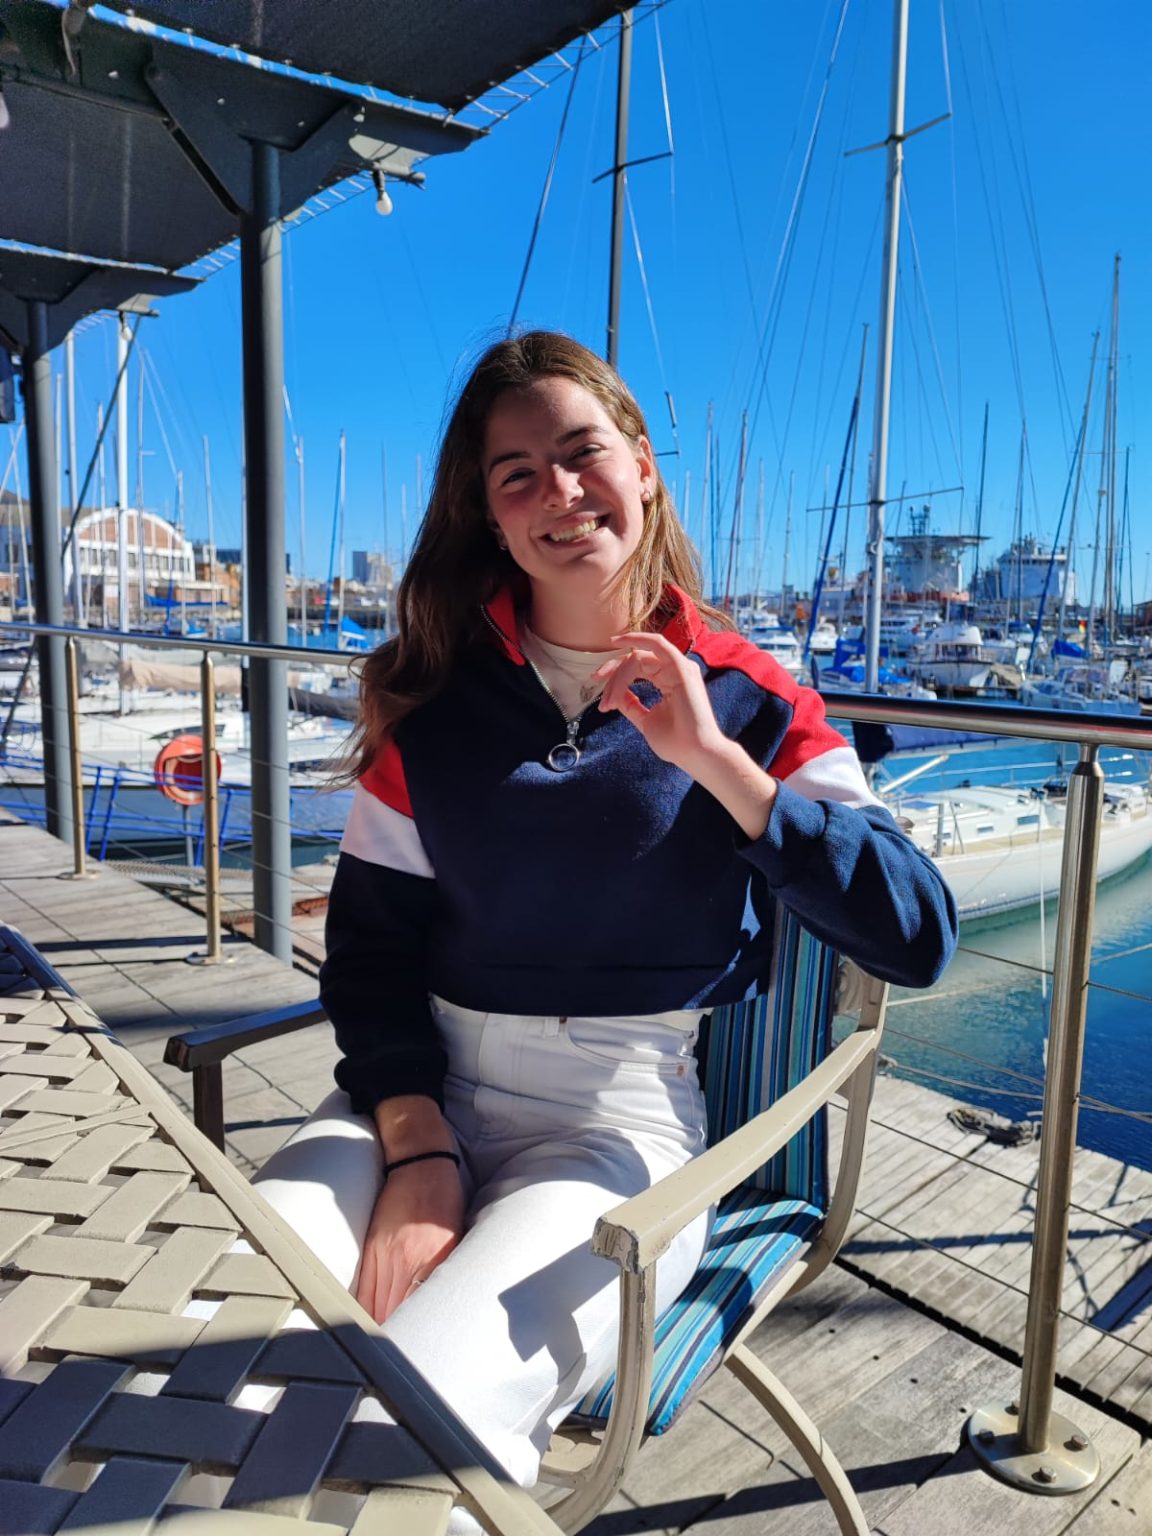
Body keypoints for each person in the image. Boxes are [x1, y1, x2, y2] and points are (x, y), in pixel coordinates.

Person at [253, 330, 957, 1521]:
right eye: (517, 473)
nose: (560, 491)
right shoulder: (434, 701)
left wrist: (716, 763)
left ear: (643, 470)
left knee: (418, 1423)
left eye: (583, 453)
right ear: (489, 516)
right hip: (408, 1100)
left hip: (613, 1129)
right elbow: (369, 951)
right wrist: (419, 1152)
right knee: (214, 1324)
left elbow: (916, 932)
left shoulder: (754, 698)